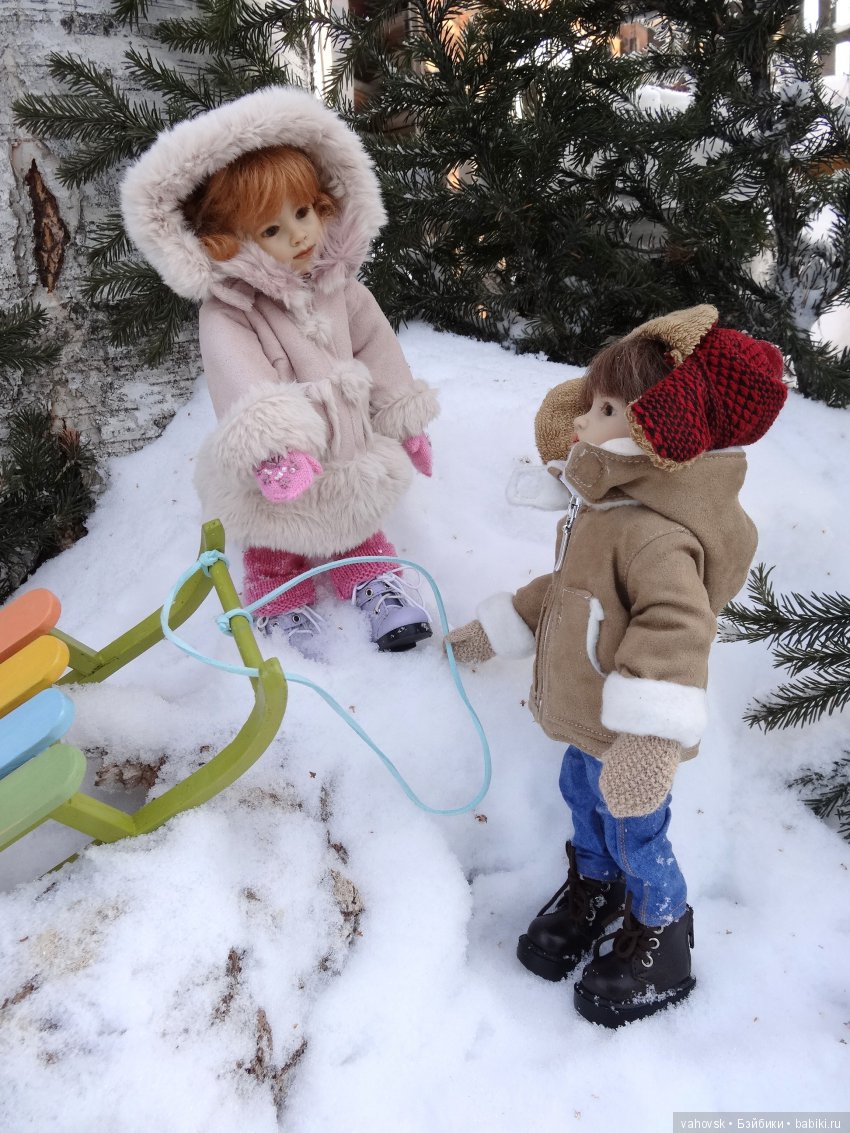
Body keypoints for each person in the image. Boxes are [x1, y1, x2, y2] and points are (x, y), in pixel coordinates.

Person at [446, 304, 787, 1027]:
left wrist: (651, 740)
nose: (581, 421)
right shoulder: (608, 510)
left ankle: (663, 927)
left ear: (660, 426)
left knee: (639, 830)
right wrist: (495, 628)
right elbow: (567, 592)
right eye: (591, 402)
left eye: (607, 408)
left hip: (629, 739)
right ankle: (595, 887)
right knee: (581, 798)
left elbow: (677, 630)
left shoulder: (658, 537)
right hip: (584, 721)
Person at [121, 86, 438, 655]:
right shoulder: (230, 312)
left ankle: (373, 580)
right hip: (276, 465)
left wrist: (402, 416)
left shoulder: (341, 285)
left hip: (347, 442)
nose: (298, 235)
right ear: (224, 242)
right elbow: (237, 378)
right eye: (271, 230)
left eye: (302, 213)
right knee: (272, 533)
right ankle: (278, 597)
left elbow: (378, 347)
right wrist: (276, 450)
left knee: (356, 517)